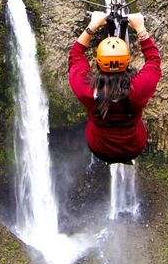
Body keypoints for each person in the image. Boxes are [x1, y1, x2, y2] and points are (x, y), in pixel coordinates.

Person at [68, 11, 161, 164]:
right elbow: (154, 61)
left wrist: (93, 25)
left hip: (99, 148)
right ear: (127, 60)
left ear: (98, 61)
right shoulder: (139, 89)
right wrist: (140, 28)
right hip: (133, 147)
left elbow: (75, 56)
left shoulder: (86, 90)